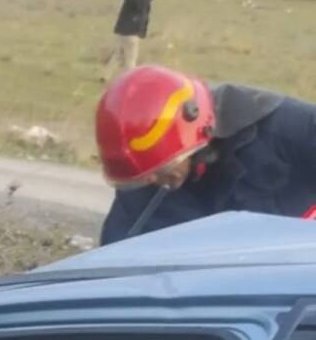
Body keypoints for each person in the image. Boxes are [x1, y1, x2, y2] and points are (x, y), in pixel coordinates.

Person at [96, 64, 316, 245]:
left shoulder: (286, 130)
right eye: (141, 176)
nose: (150, 181)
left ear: (195, 138)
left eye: (160, 170)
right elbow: (114, 260)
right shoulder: (145, 184)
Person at [105, 0, 159, 79]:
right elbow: (141, 7)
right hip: (131, 31)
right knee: (131, 58)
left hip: (124, 30)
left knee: (118, 55)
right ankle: (131, 79)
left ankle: (105, 75)